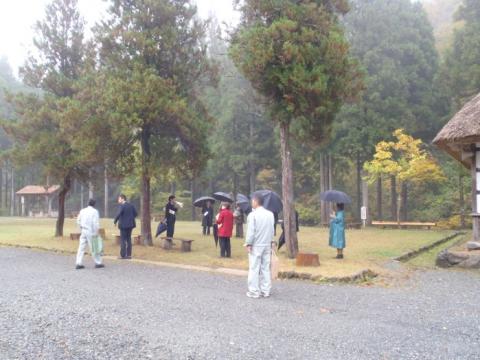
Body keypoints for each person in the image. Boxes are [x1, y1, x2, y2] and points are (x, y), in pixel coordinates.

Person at [245, 193, 275, 299]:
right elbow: (272, 229)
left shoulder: (252, 215)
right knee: (266, 268)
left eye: (252, 200)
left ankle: (254, 291)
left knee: (254, 268)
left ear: (256, 201)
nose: (251, 202)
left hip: (256, 245)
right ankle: (265, 291)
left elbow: (251, 232)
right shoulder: (270, 214)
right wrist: (272, 241)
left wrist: (248, 243)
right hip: (267, 244)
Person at [75, 199, 103, 269]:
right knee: (95, 247)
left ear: (88, 203)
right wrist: (96, 232)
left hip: (83, 230)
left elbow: (78, 220)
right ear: (94, 204)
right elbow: (95, 223)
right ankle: (98, 262)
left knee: (81, 247)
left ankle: (78, 263)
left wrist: (81, 227)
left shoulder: (82, 210)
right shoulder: (95, 211)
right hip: (91, 231)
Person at [114, 194, 138, 260]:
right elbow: (136, 214)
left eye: (119, 199)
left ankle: (123, 255)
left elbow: (118, 214)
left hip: (123, 225)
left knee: (123, 240)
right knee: (129, 239)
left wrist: (115, 221)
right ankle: (129, 255)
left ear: (122, 199)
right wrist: (130, 218)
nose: (118, 200)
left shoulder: (122, 206)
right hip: (130, 225)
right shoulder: (131, 205)